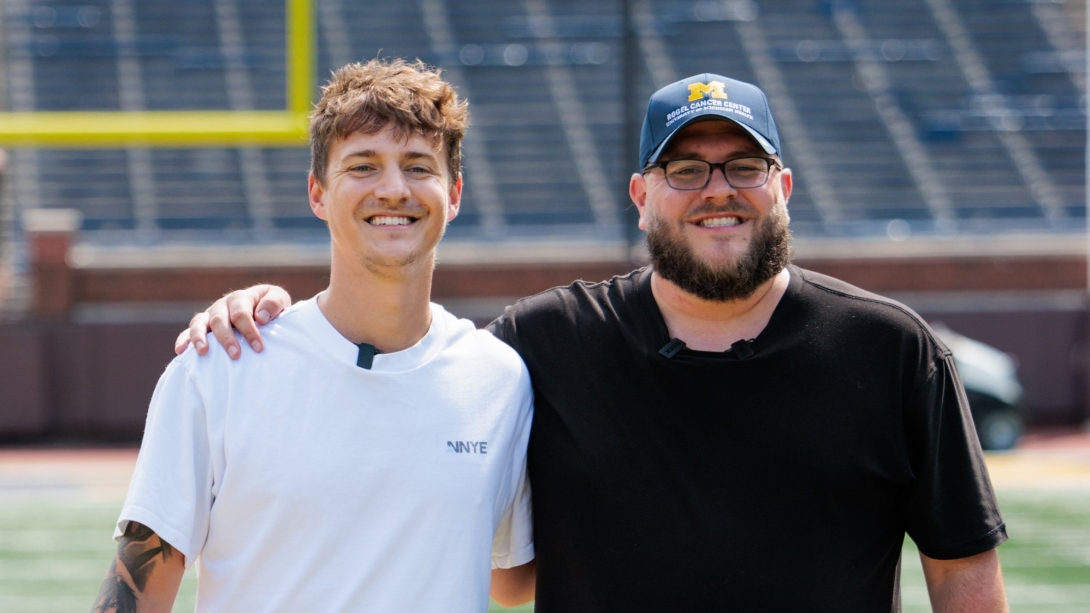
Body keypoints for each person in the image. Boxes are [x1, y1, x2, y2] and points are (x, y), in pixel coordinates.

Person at [180, 73, 1009, 611]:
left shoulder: (890, 349)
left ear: (783, 187)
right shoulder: (540, 345)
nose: (716, 191)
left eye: (742, 167)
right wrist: (270, 319)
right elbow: (407, 397)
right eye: (685, 170)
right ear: (641, 195)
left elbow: (963, 571)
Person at [93, 59, 536, 613]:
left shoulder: (498, 379)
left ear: (455, 194)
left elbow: (511, 580)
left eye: (419, 166)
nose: (393, 189)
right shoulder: (220, 364)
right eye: (363, 166)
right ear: (317, 193)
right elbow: (138, 592)